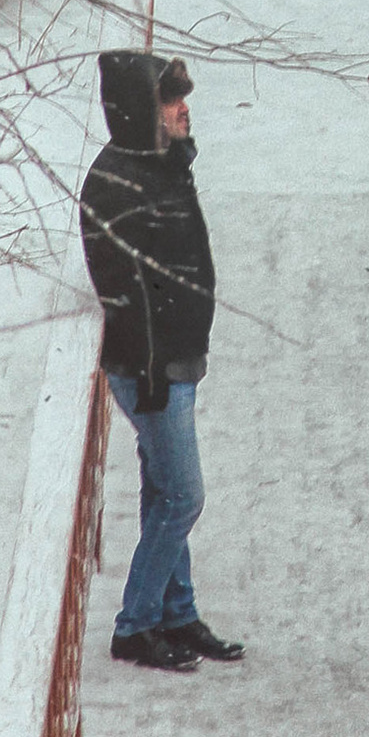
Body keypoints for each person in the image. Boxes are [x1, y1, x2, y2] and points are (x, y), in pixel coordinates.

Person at [79, 49, 243, 671]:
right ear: (138, 113)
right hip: (151, 367)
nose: (184, 109)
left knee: (162, 490)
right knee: (183, 496)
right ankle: (136, 623)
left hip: (175, 359)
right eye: (171, 101)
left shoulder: (156, 165)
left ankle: (177, 613)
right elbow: (121, 285)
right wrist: (149, 370)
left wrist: (176, 149)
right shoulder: (118, 182)